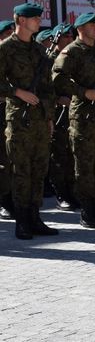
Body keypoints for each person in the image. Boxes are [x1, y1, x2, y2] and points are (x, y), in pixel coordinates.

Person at [52, 12, 95, 228]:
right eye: (92, 25)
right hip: (83, 117)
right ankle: (87, 210)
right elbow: (57, 77)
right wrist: (83, 92)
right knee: (84, 165)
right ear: (80, 28)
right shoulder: (71, 51)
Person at [0, 3, 58, 239]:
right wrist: (16, 92)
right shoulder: (5, 49)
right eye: (35, 18)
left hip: (40, 119)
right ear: (21, 21)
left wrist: (50, 116)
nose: (39, 21)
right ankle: (22, 221)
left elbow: (48, 87)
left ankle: (35, 218)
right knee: (21, 171)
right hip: (19, 120)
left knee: (38, 170)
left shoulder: (39, 51)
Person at [48, 23, 79, 212]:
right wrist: (58, 99)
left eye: (71, 37)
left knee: (72, 155)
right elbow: (42, 87)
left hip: (75, 114)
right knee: (59, 156)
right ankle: (61, 194)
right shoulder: (48, 60)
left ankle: (72, 191)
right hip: (57, 114)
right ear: (56, 39)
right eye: (65, 37)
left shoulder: (74, 59)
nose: (69, 40)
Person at [0, 20, 15, 220]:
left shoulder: (14, 56)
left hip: (12, 111)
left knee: (12, 157)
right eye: (6, 34)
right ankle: (4, 201)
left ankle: (12, 197)